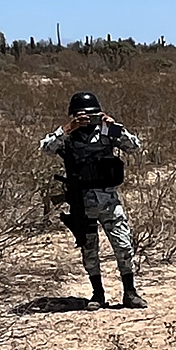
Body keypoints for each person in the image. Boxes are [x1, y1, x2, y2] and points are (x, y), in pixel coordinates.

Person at [39, 90, 146, 309]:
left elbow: (135, 147)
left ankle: (130, 292)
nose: (88, 119)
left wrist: (115, 126)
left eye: (92, 114)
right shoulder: (68, 137)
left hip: (109, 199)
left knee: (124, 246)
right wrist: (68, 128)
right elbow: (45, 148)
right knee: (89, 250)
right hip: (82, 201)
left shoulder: (107, 132)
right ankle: (97, 294)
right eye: (82, 115)